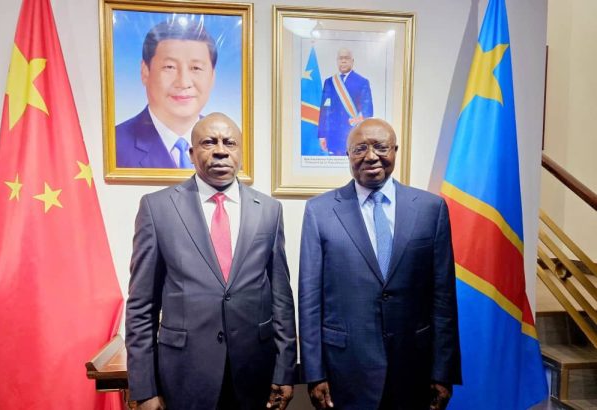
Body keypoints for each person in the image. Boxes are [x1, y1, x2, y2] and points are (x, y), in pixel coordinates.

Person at [125, 113, 297, 409]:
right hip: (184, 373)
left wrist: (284, 370)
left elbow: (281, 298)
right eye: (209, 142)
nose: (220, 150)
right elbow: (142, 304)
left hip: (254, 371)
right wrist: (144, 388)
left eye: (229, 142)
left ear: (241, 152)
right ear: (192, 154)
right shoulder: (157, 208)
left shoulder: (269, 210)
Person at [299, 118, 461, 409]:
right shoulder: (319, 211)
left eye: (380, 147)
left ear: (395, 150)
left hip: (415, 368)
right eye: (360, 148)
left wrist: (443, 371)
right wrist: (314, 373)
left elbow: (444, 298)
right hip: (344, 369)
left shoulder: (431, 209)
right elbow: (309, 300)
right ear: (348, 155)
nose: (371, 156)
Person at [116, 20, 217, 169]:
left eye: (196, 68)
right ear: (145, 71)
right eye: (170, 67)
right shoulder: (115, 145)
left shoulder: (232, 146)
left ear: (212, 76)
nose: (183, 82)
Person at [317, 48, 373, 156]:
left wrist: (360, 120)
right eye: (340, 58)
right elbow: (324, 111)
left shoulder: (362, 81)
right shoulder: (329, 82)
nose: (343, 61)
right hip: (333, 137)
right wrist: (322, 135)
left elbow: (368, 111)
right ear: (337, 61)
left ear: (352, 61)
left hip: (353, 135)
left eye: (346, 58)